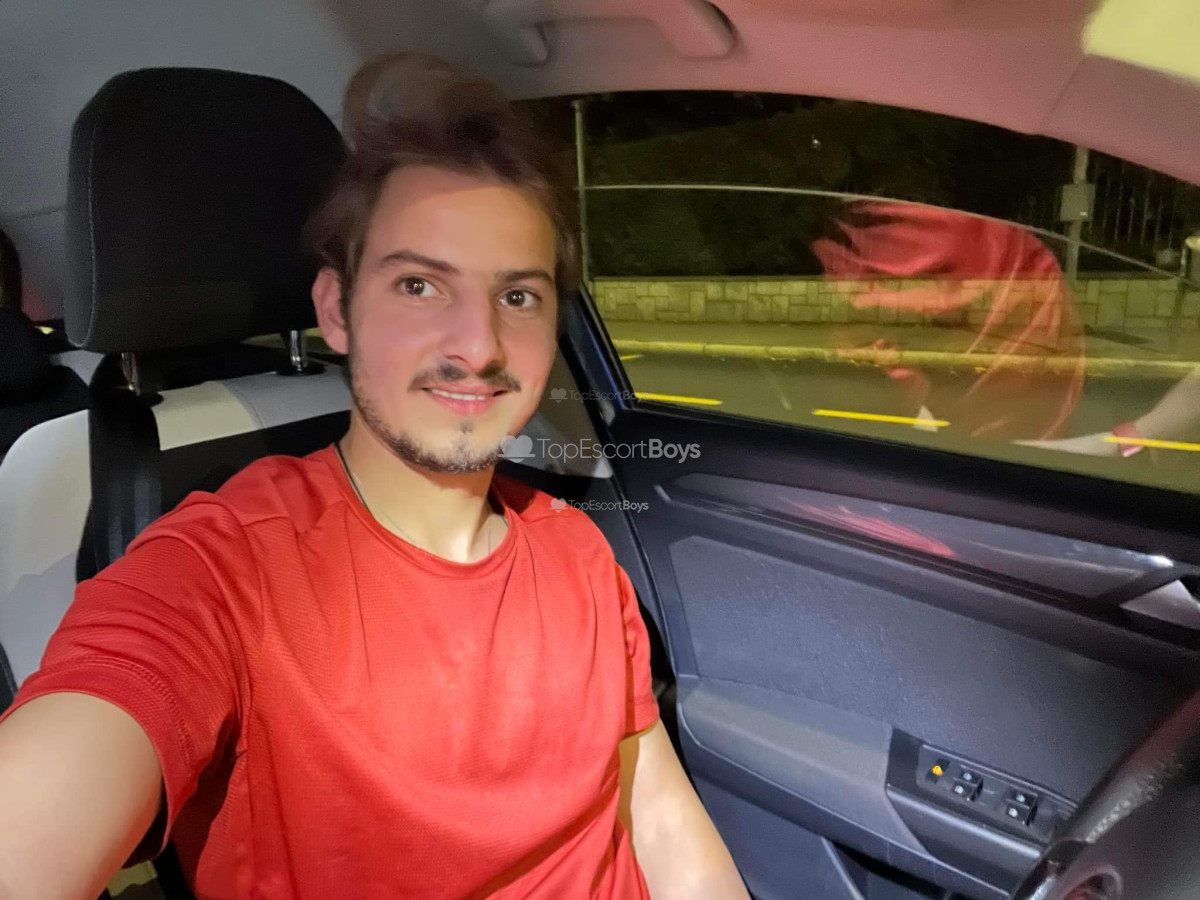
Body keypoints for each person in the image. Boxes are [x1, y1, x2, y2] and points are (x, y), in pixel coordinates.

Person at [0, 55, 748, 900]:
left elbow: (657, 816)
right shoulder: (219, 575)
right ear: (337, 309)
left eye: (518, 297)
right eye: (420, 284)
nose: (478, 346)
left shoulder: (578, 553)